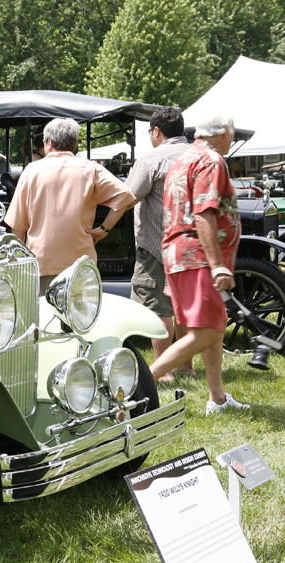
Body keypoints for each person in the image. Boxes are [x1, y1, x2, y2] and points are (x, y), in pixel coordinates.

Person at [149, 114, 250, 416]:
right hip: (198, 257)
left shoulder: (182, 161)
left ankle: (216, 399)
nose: (231, 140)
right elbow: (205, 213)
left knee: (210, 328)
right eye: (231, 134)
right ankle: (139, 382)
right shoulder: (211, 160)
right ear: (221, 134)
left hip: (178, 254)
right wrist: (217, 264)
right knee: (206, 332)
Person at [4, 117, 135, 292]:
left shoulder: (31, 171)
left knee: (43, 316)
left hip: (41, 261)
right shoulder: (91, 169)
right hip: (81, 262)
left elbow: (18, 226)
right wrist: (103, 230)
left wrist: (17, 262)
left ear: (48, 143)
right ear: (74, 143)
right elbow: (125, 196)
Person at [123, 106, 191, 376]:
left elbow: (128, 196)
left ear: (156, 131)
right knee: (184, 309)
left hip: (157, 244)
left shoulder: (151, 159)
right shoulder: (200, 156)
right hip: (191, 246)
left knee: (157, 308)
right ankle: (186, 367)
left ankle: (165, 370)